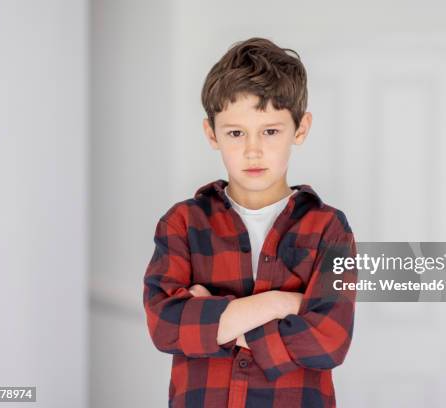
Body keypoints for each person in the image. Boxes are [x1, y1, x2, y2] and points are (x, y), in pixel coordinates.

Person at [142, 37, 358, 408]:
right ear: (212, 134)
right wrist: (279, 304)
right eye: (236, 133)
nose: (253, 150)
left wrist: (217, 323)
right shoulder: (183, 223)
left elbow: (328, 341)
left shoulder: (329, 229)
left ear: (300, 129)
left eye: (270, 131)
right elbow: (165, 326)